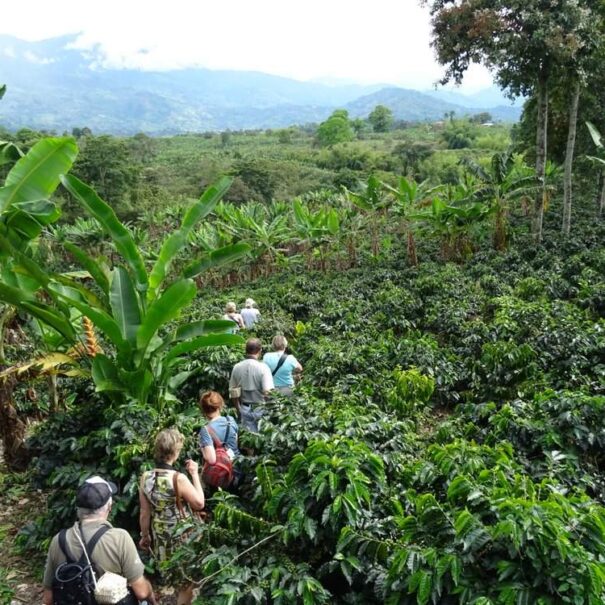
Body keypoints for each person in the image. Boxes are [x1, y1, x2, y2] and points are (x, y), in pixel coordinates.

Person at [42, 475, 157, 605]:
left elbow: (48, 598)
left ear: (78, 508)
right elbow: (142, 592)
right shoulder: (119, 538)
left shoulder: (58, 540)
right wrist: (152, 597)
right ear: (109, 506)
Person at [139, 429, 205, 605]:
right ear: (175, 452)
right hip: (181, 536)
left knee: (173, 575)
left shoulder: (145, 477)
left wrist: (145, 536)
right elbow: (199, 503)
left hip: (160, 536)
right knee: (187, 580)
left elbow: (145, 513)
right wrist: (194, 474)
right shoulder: (178, 478)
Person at [229, 338, 274, 432]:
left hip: (245, 408)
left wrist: (238, 408)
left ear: (246, 350)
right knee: (262, 439)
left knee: (249, 440)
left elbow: (233, 391)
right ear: (260, 350)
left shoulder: (237, 367)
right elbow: (267, 392)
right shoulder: (263, 367)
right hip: (261, 408)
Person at [198, 390, 241, 486]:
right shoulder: (231, 420)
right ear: (220, 405)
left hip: (221, 475)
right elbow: (236, 443)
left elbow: (211, 459)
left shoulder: (206, 430)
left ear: (203, 409)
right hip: (238, 469)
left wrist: (201, 447)